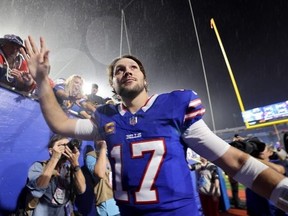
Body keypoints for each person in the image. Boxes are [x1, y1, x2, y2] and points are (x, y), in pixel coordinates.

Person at [21, 36, 288, 215]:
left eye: (133, 67)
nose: (126, 71)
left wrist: (282, 193)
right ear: (113, 85)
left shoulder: (175, 106)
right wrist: (42, 79)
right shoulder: (106, 118)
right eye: (118, 70)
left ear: (144, 79)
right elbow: (59, 122)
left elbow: (236, 162)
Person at [26, 134, 86, 216]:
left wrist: (75, 164)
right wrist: (55, 158)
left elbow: (81, 190)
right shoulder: (39, 166)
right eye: (62, 145)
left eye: (68, 146)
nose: (66, 149)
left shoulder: (69, 168)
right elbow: (37, 192)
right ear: (51, 150)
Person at [245, 143, 287, 216]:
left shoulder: (278, 163)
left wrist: (249, 159)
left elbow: (279, 169)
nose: (260, 151)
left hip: (273, 208)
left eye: (263, 148)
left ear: (270, 152)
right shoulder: (250, 165)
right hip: (256, 206)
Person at [85, 140, 120, 216]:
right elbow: (99, 173)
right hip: (109, 205)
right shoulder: (92, 156)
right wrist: (103, 148)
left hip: (123, 201)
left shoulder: (117, 152)